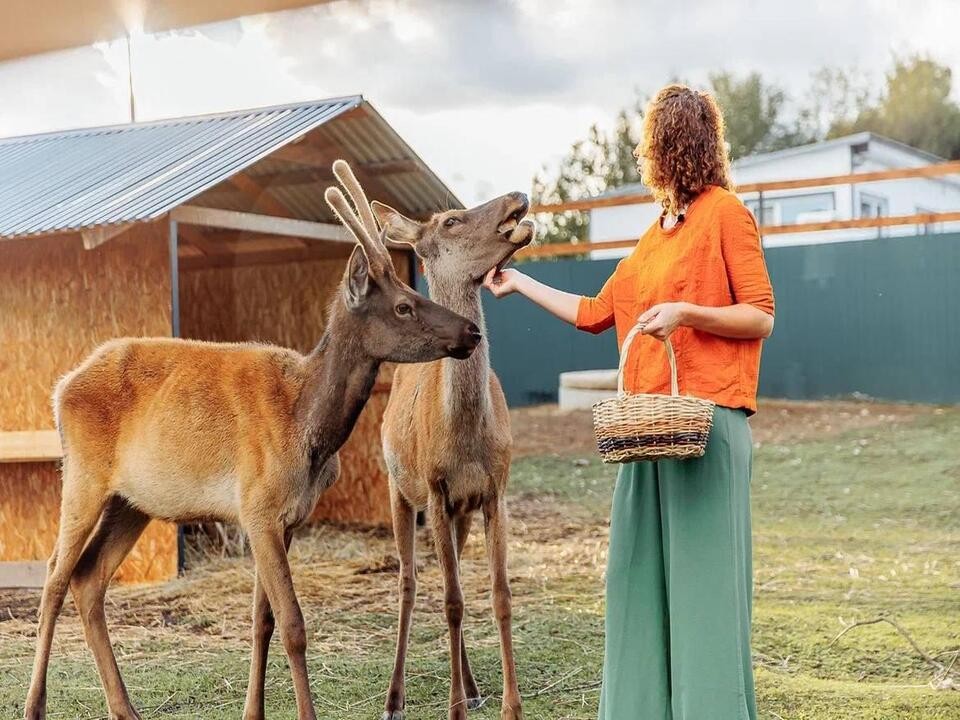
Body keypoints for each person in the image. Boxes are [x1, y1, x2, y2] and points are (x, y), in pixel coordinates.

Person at [483, 84, 775, 720]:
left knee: (704, 593)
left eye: (661, 142)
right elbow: (595, 312)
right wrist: (519, 283)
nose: (657, 154)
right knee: (634, 582)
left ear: (673, 148)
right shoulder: (653, 238)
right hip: (645, 430)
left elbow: (761, 315)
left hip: (708, 423)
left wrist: (687, 314)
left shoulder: (725, 213)